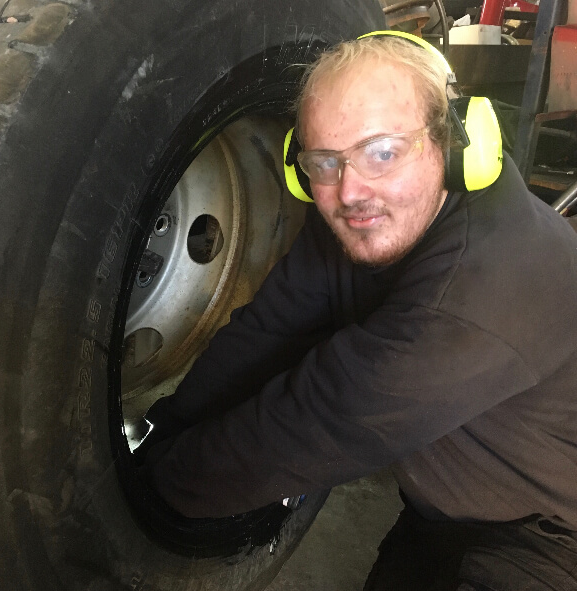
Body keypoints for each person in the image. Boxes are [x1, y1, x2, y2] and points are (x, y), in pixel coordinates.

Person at [138, 34, 577, 590]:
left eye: (383, 152)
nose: (349, 192)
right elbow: (265, 333)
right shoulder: (360, 221)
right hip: (444, 512)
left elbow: (320, 421)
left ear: (453, 144)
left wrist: (136, 494)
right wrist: (164, 431)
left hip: (547, 541)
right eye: (324, 162)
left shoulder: (485, 286)